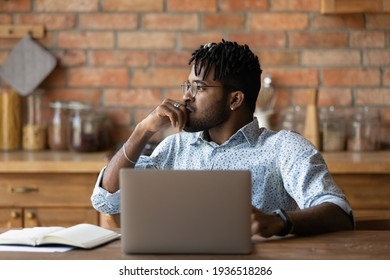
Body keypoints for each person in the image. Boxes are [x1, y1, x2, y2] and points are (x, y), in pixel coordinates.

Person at [91, 39, 354, 237]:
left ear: (235, 99)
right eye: (188, 86)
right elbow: (107, 199)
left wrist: (278, 221)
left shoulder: (284, 147)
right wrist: (142, 131)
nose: (186, 97)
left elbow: (339, 211)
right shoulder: (174, 147)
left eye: (200, 88)